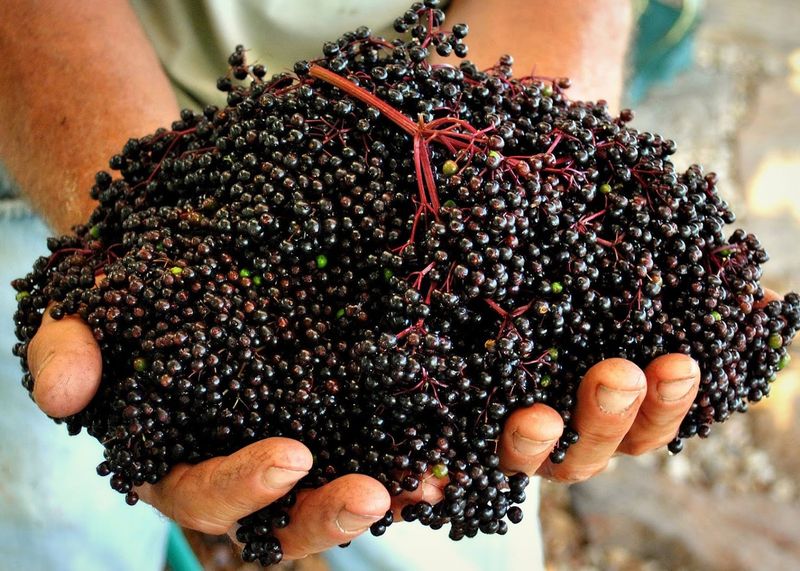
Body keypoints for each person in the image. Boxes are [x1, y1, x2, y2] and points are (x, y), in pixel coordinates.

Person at [2, 1, 768, 569]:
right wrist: (123, 221)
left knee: (449, 513)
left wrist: (508, 147)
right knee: (52, 514)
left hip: (443, 88)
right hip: (78, 121)